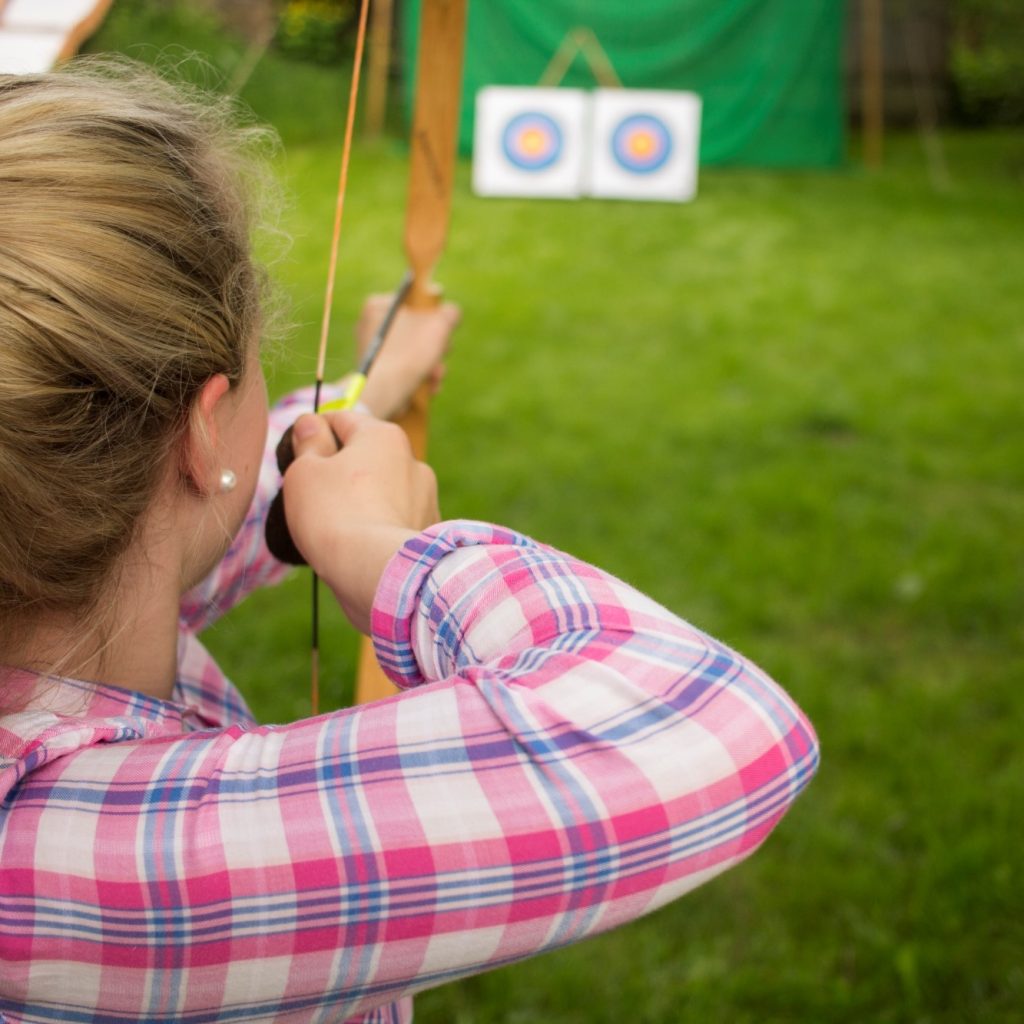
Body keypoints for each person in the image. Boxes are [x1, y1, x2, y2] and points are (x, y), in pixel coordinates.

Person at [0, 62, 818, 1023]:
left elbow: (160, 508)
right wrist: (385, 549)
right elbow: (710, 725)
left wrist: (363, 394)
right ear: (201, 428)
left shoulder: (57, 571)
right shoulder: (95, 861)